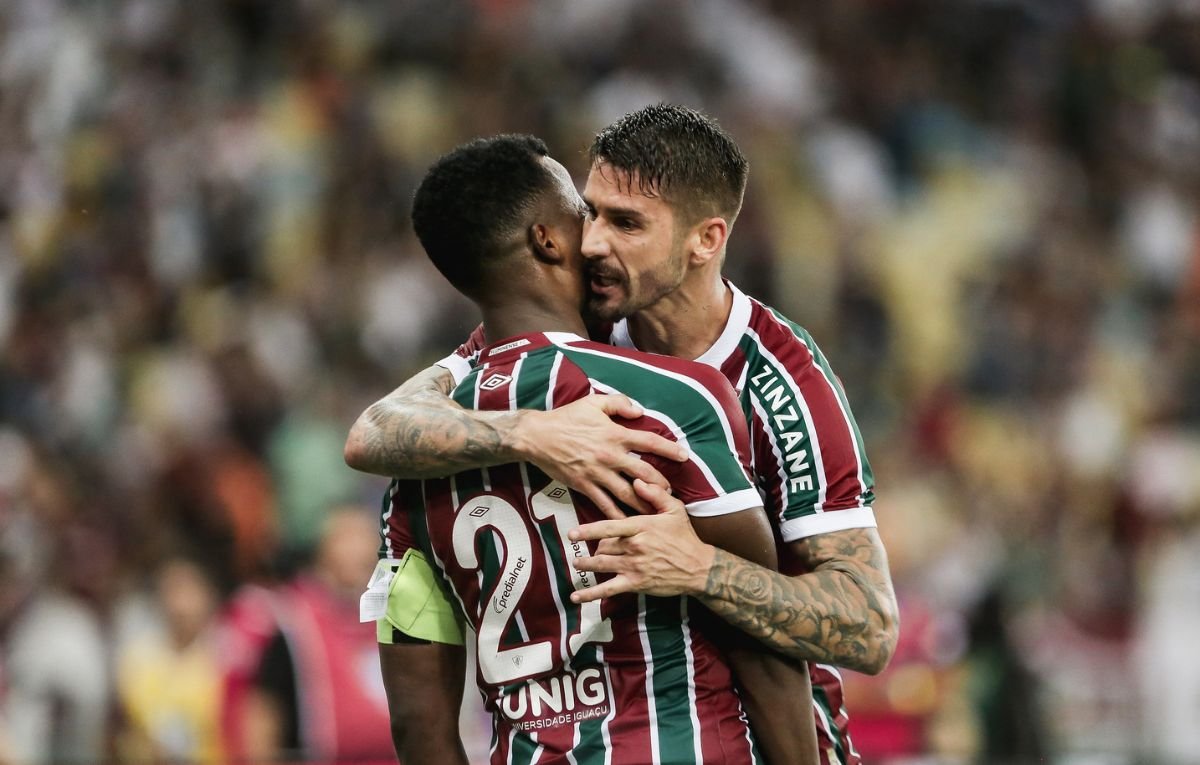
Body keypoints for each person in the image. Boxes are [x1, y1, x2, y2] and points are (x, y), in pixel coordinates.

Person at [345, 104, 900, 765]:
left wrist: (702, 568)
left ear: (705, 239)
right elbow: (374, 428)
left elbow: (868, 627)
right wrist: (532, 433)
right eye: (593, 210)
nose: (595, 242)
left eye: (626, 223)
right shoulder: (580, 332)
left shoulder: (780, 385)